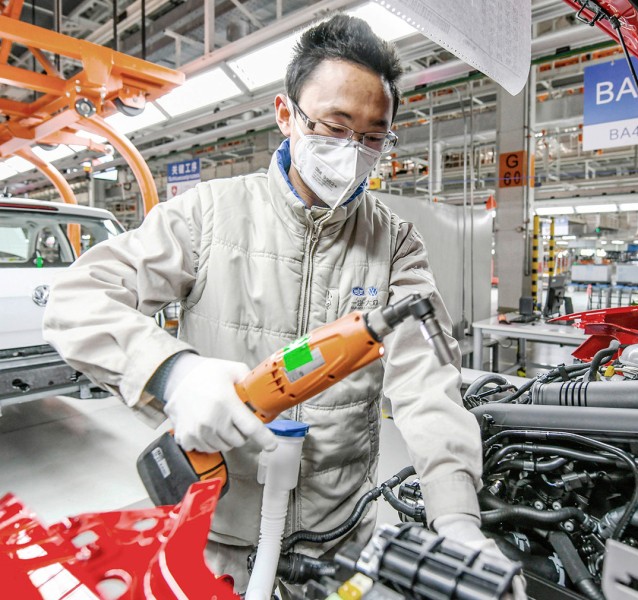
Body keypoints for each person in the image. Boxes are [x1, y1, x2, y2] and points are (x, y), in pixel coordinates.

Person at [44, 14, 504, 593]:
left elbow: (428, 384)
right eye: (335, 127)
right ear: (286, 114)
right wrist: (174, 374)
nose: (352, 151)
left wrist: (456, 518)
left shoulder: (395, 244)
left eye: (372, 136)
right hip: (219, 538)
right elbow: (76, 298)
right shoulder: (207, 215)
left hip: (340, 536)